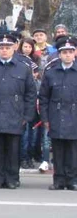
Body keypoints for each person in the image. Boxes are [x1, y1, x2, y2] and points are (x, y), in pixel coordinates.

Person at [0, 33, 36, 189]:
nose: (4, 50)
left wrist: (27, 115)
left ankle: (12, 178)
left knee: (13, 149)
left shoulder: (23, 68)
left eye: (7, 47)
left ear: (14, 48)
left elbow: (30, 94)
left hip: (15, 113)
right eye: (1, 47)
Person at [39, 35, 77, 190]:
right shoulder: (51, 72)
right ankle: (59, 180)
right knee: (58, 150)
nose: (67, 55)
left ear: (75, 53)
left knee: (73, 151)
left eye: (70, 51)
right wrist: (45, 118)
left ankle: (72, 180)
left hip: (74, 116)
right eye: (64, 52)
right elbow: (43, 98)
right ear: (59, 54)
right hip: (56, 115)